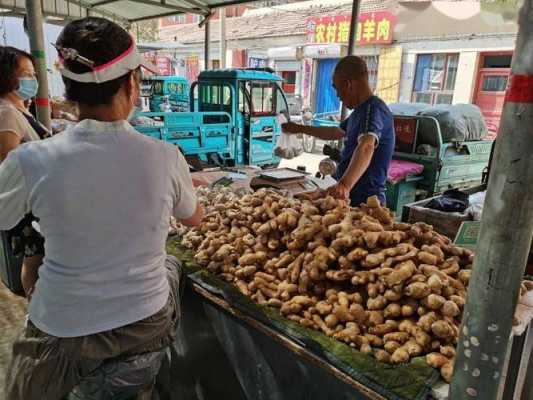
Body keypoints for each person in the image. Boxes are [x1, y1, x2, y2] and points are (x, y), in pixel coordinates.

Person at [0, 17, 203, 399]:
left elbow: (4, 217)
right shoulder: (165, 156)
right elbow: (194, 218)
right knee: (169, 265)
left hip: (64, 329)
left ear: (69, 90)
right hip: (147, 326)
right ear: (131, 84)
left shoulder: (31, 160)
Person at [283, 56, 395, 207]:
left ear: (348, 85)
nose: (338, 96)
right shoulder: (359, 113)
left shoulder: (373, 110)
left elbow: (366, 146)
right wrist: (300, 128)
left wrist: (344, 185)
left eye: (337, 89)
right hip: (349, 199)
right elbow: (335, 132)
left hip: (367, 202)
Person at [0, 46, 49, 298]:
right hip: (25, 204)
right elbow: (9, 161)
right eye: (26, 74)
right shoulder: (6, 113)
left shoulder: (18, 108)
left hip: (35, 199)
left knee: (37, 258)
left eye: (33, 74)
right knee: (34, 260)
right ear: (7, 76)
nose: (33, 79)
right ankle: (36, 311)